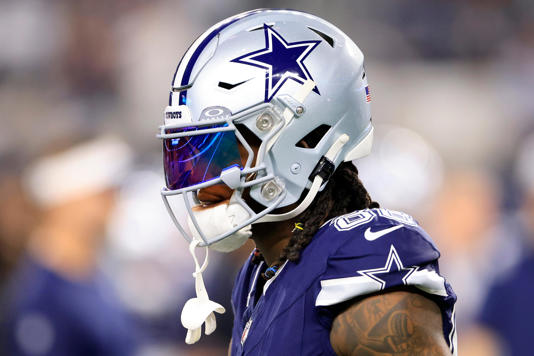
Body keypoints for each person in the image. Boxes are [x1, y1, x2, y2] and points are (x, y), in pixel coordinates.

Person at [157, 9, 457, 355]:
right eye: (189, 158)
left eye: (219, 153)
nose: (199, 183)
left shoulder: (361, 259)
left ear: (304, 140)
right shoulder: (260, 273)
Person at [3, 134, 138, 356]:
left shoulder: (91, 277)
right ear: (67, 201)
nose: (114, 201)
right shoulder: (41, 301)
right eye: (103, 192)